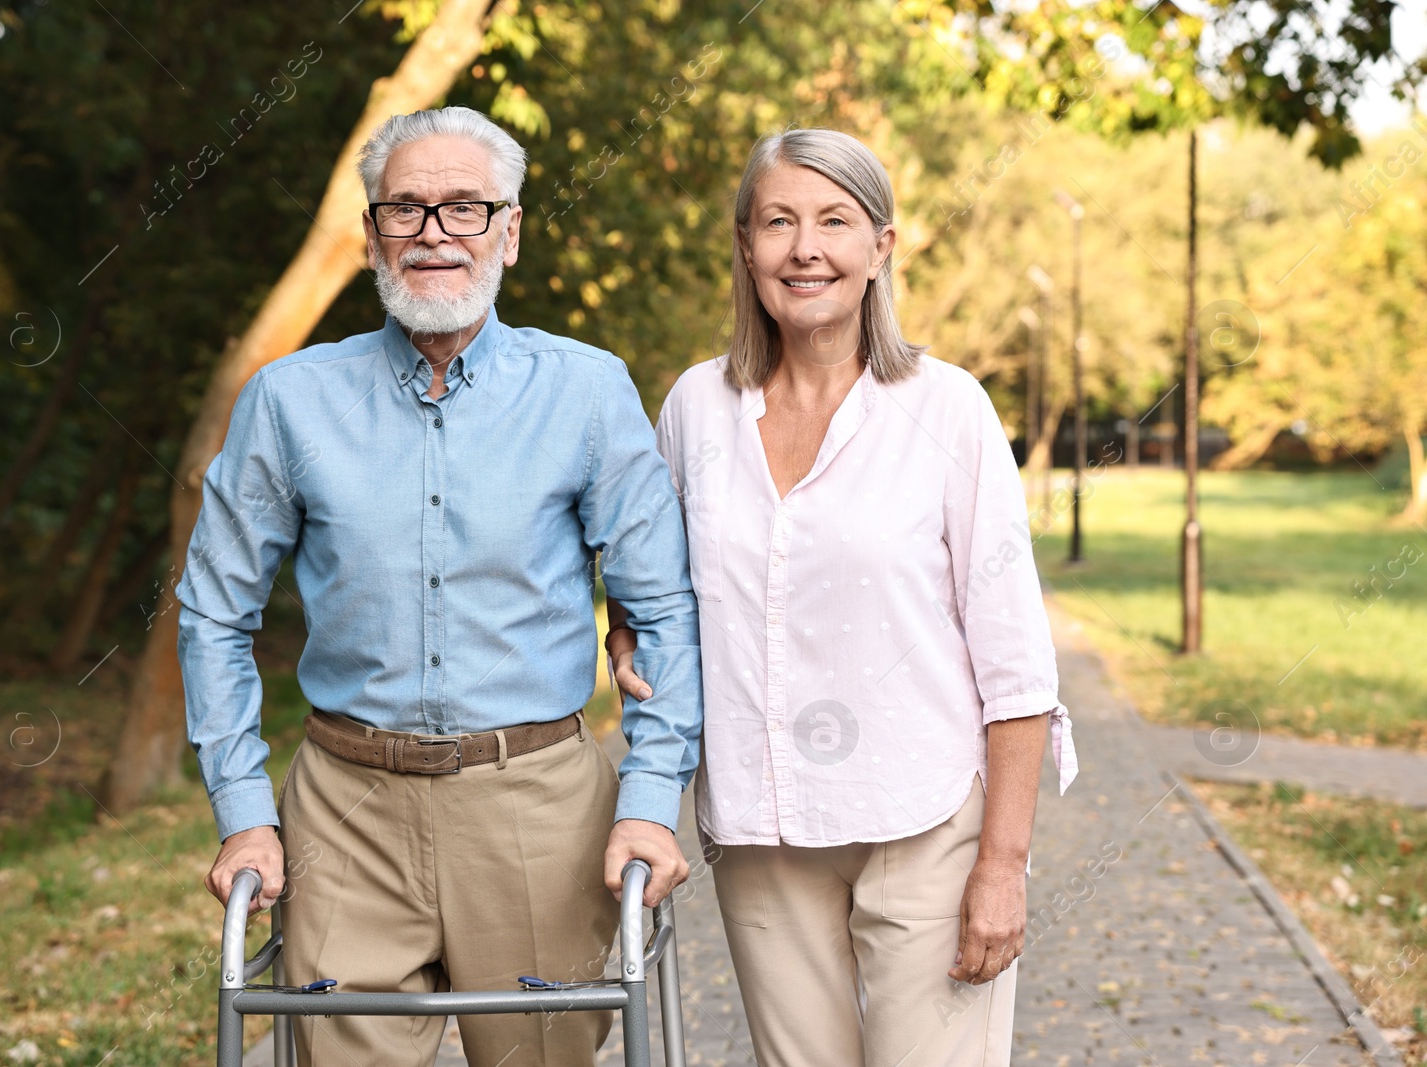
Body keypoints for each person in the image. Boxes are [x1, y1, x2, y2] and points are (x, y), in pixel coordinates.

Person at [177, 106, 702, 1067]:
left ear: (508, 229)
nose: (433, 234)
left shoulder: (586, 392)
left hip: (538, 805)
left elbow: (664, 608)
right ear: (371, 233)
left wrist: (651, 795)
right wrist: (245, 810)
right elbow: (214, 611)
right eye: (406, 209)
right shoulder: (289, 401)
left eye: (465, 208)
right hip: (346, 811)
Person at [607, 128, 1077, 1066]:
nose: (804, 247)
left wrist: (1003, 865)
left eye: (835, 221)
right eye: (778, 221)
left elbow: (1017, 664)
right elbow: (653, 583)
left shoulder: (948, 409)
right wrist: (625, 633)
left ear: (881, 247)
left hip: (927, 820)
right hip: (759, 826)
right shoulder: (694, 408)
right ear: (746, 245)